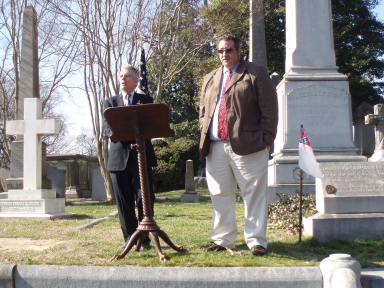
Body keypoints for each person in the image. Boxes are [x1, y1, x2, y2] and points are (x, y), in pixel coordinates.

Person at [199, 34, 278, 256]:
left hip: (250, 145)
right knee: (220, 194)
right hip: (215, 146)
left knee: (253, 194)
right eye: (220, 51)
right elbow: (204, 112)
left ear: (238, 51)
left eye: (228, 50)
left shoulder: (255, 73)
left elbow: (270, 110)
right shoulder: (211, 77)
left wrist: (266, 140)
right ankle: (223, 239)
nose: (224, 54)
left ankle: (256, 240)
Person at [103, 64, 157, 250]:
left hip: (142, 156)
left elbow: (152, 125)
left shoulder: (146, 99)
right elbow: (108, 127)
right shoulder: (110, 103)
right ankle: (130, 238)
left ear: (135, 80)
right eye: (120, 76)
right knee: (124, 201)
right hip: (119, 159)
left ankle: (145, 238)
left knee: (145, 198)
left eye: (127, 76)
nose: (123, 79)